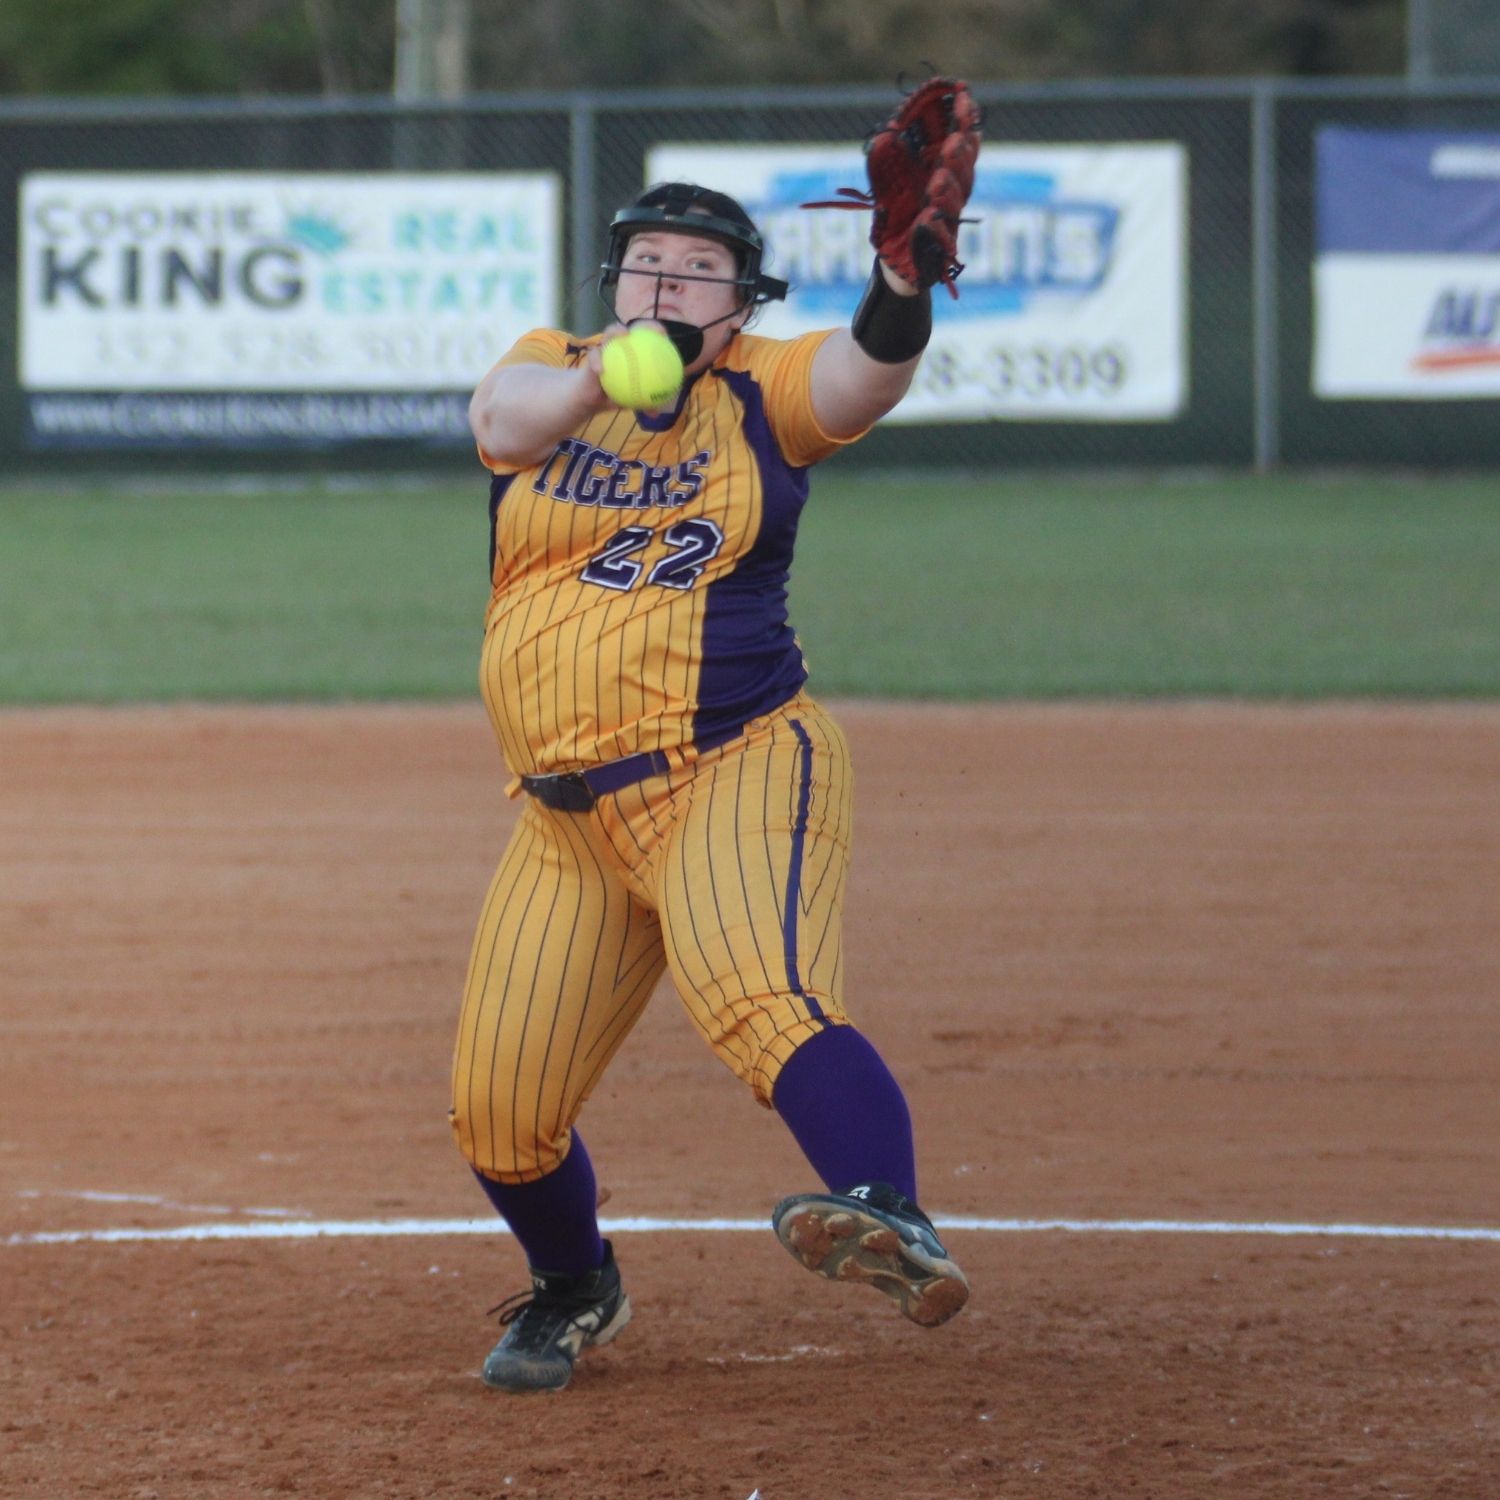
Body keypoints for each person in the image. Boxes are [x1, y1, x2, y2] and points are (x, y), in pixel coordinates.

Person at [450, 179, 970, 1395]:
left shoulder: (764, 391)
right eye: (645, 263)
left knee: (763, 997)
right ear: (612, 285)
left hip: (729, 767)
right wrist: (600, 379)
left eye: (698, 268)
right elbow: (508, 420)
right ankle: (577, 1287)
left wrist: (899, 281)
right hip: (563, 821)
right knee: (499, 1110)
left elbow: (869, 374)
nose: (667, 284)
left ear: (744, 302)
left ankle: (888, 1211)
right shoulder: (549, 368)